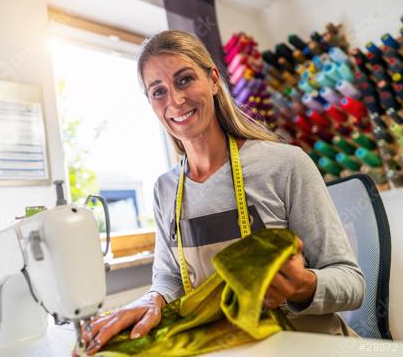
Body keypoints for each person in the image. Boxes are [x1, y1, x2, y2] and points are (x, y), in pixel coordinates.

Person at [79, 30, 365, 356]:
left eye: (185, 80)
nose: (175, 100)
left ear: (214, 80)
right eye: (158, 92)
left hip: (308, 344)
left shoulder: (284, 164)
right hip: (229, 346)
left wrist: (302, 287)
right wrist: (152, 299)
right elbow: (170, 278)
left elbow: (351, 282)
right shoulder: (165, 190)